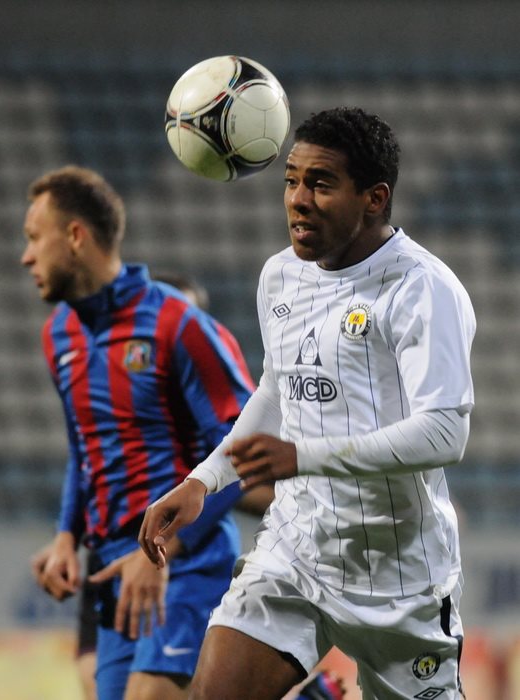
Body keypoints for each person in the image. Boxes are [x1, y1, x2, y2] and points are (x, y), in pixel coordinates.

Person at [139, 106, 476, 700]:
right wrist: (205, 480)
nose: (298, 199)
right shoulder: (281, 276)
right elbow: (277, 390)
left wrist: (303, 456)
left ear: (374, 198)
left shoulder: (423, 288)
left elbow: (444, 432)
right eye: (291, 180)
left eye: (320, 184)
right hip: (296, 551)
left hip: (398, 576)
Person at [21, 165, 258, 700]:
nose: (26, 256)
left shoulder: (176, 324)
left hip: (187, 559)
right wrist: (66, 536)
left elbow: (246, 450)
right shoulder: (59, 334)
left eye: (35, 238)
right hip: (114, 566)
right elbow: (84, 449)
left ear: (75, 236)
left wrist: (166, 545)